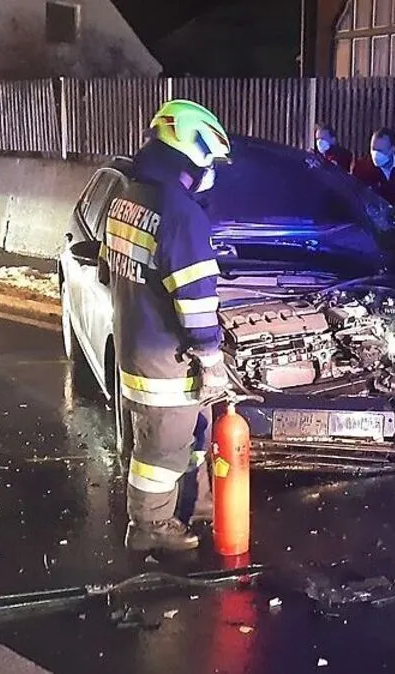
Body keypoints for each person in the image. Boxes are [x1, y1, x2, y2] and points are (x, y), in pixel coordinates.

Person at [104, 99, 231, 552]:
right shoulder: (179, 213)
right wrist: (211, 357)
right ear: (192, 150)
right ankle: (149, 527)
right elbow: (196, 300)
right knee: (160, 451)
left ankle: (188, 509)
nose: (211, 172)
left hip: (136, 344)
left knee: (187, 437)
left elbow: (110, 270)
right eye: (211, 160)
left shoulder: (127, 197)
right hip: (166, 359)